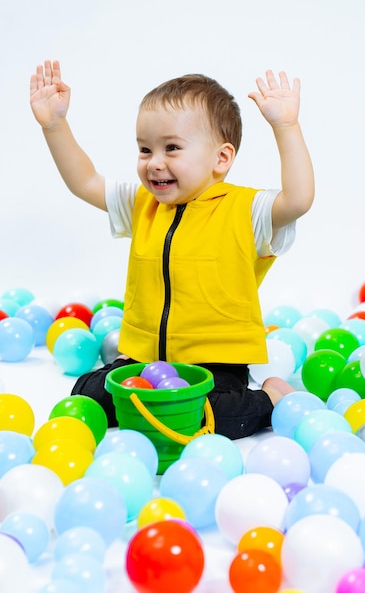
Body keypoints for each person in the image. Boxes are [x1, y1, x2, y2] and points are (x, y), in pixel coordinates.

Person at [30, 60, 314, 440]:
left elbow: (298, 199)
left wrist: (286, 127)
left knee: (206, 415)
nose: (154, 163)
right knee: (90, 394)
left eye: (172, 148)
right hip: (147, 360)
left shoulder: (245, 211)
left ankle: (269, 400)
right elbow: (84, 181)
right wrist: (54, 126)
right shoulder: (142, 204)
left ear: (221, 158)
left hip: (215, 365)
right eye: (145, 149)